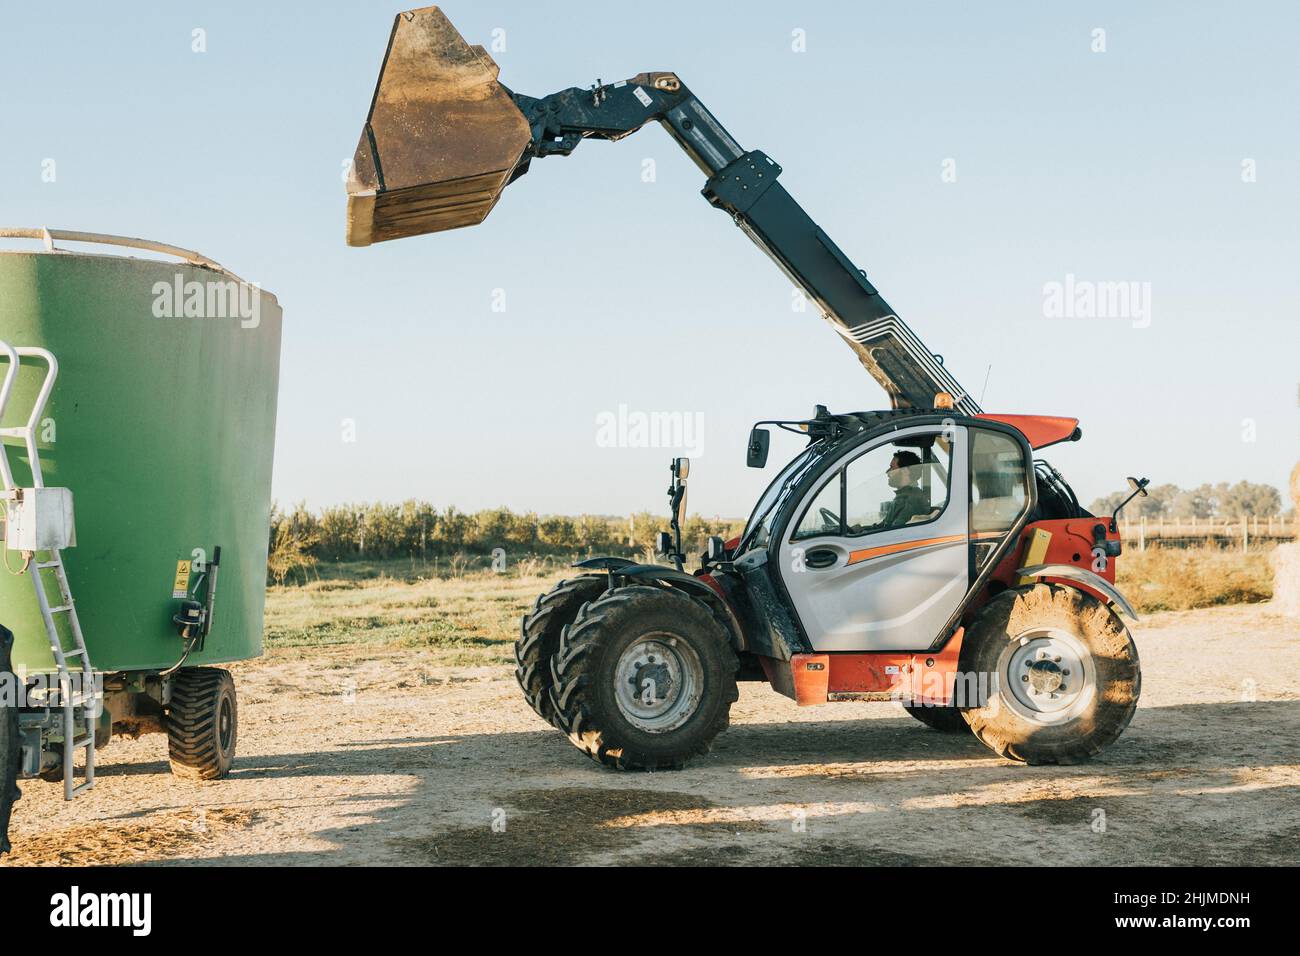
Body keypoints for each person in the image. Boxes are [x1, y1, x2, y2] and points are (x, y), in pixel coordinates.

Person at [877, 451, 930, 529]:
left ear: (905, 471)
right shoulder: (902, 497)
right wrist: (859, 529)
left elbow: (894, 533)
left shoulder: (911, 501)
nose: (887, 472)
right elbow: (883, 526)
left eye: (892, 467)